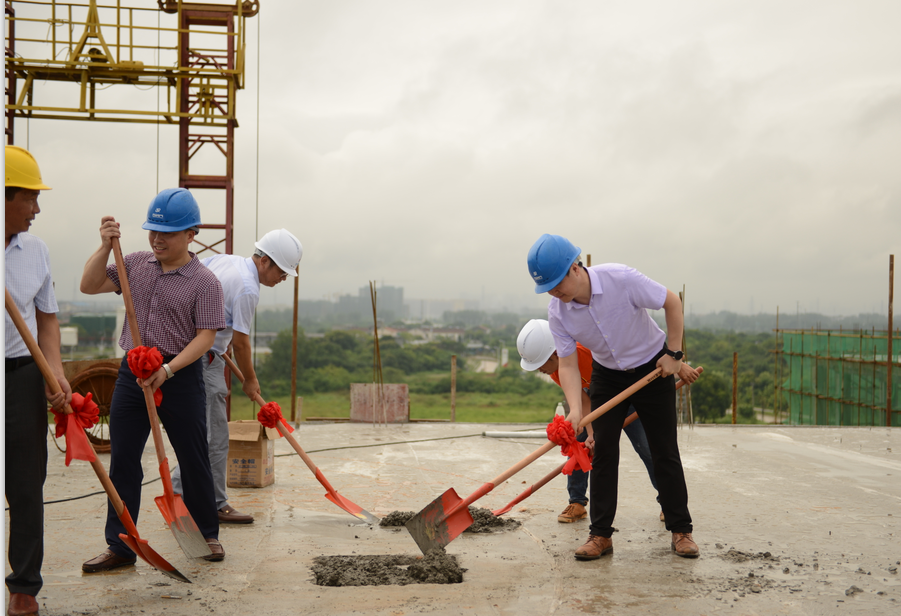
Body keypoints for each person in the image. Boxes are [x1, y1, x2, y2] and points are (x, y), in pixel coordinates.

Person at [526, 233, 700, 560]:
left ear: (574, 268)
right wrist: (576, 410)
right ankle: (600, 536)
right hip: (607, 375)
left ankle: (681, 531)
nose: (554, 292)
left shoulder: (621, 278)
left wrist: (674, 355)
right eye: (546, 287)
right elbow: (567, 364)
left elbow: (672, 302)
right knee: (604, 454)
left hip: (653, 367)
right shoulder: (558, 312)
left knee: (664, 451)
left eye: (556, 283)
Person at [79, 188, 226, 572]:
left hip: (178, 373)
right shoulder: (137, 264)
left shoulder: (205, 282)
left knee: (193, 456)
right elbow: (89, 285)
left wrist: (168, 370)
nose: (158, 240)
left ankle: (206, 532)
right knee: (124, 459)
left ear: (191, 233)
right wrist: (103, 245)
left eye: (169, 233)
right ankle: (122, 544)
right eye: (153, 231)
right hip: (133, 373)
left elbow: (206, 336)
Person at [170, 228, 303, 524]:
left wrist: (220, 337)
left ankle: (199, 500)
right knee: (212, 436)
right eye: (282, 272)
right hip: (200, 361)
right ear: (265, 262)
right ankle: (189, 501)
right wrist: (250, 379)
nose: (282, 279)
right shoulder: (247, 288)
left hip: (194, 353)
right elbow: (242, 342)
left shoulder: (225, 261)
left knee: (206, 434)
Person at [5, 145, 72, 616]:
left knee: (27, 484)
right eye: (30, 197)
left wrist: (56, 372)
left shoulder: (37, 251)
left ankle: (24, 587)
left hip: (23, 376)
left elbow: (46, 321)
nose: (37, 208)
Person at [516, 319, 661, 524]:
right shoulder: (557, 368)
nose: (539, 370)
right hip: (594, 399)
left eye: (540, 363)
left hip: (626, 394)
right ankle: (577, 503)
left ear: (554, 353)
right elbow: (585, 399)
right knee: (579, 445)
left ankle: (667, 500)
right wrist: (591, 433)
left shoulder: (586, 351)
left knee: (647, 447)